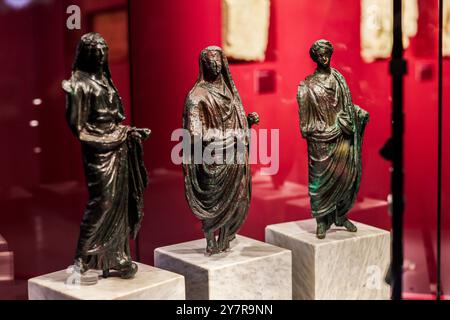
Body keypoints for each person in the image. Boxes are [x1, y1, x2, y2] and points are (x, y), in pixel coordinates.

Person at [63, 33, 150, 278]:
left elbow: (114, 120)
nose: (100, 54)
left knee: (119, 203)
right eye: (94, 50)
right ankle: (81, 257)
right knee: (103, 201)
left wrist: (129, 132)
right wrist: (113, 137)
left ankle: (117, 257)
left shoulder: (104, 81)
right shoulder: (77, 84)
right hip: (99, 152)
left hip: (118, 148)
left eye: (104, 49)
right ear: (85, 53)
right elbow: (79, 129)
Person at [183, 46, 259, 254]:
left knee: (237, 197)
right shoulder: (196, 96)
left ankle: (225, 236)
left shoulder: (230, 93)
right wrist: (227, 137)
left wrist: (247, 123)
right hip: (213, 158)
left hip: (234, 155)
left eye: (217, 60)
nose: (214, 64)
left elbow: (236, 123)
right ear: (203, 65)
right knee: (213, 201)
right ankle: (210, 237)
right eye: (209, 60)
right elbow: (197, 134)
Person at [297, 39, 369, 239]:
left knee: (346, 178)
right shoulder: (306, 86)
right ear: (315, 57)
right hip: (321, 143)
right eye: (320, 54)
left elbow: (346, 108)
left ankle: (341, 215)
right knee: (319, 183)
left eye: (327, 53)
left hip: (342, 139)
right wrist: (321, 129)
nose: (324, 57)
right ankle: (321, 220)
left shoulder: (339, 79)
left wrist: (358, 114)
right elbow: (304, 125)